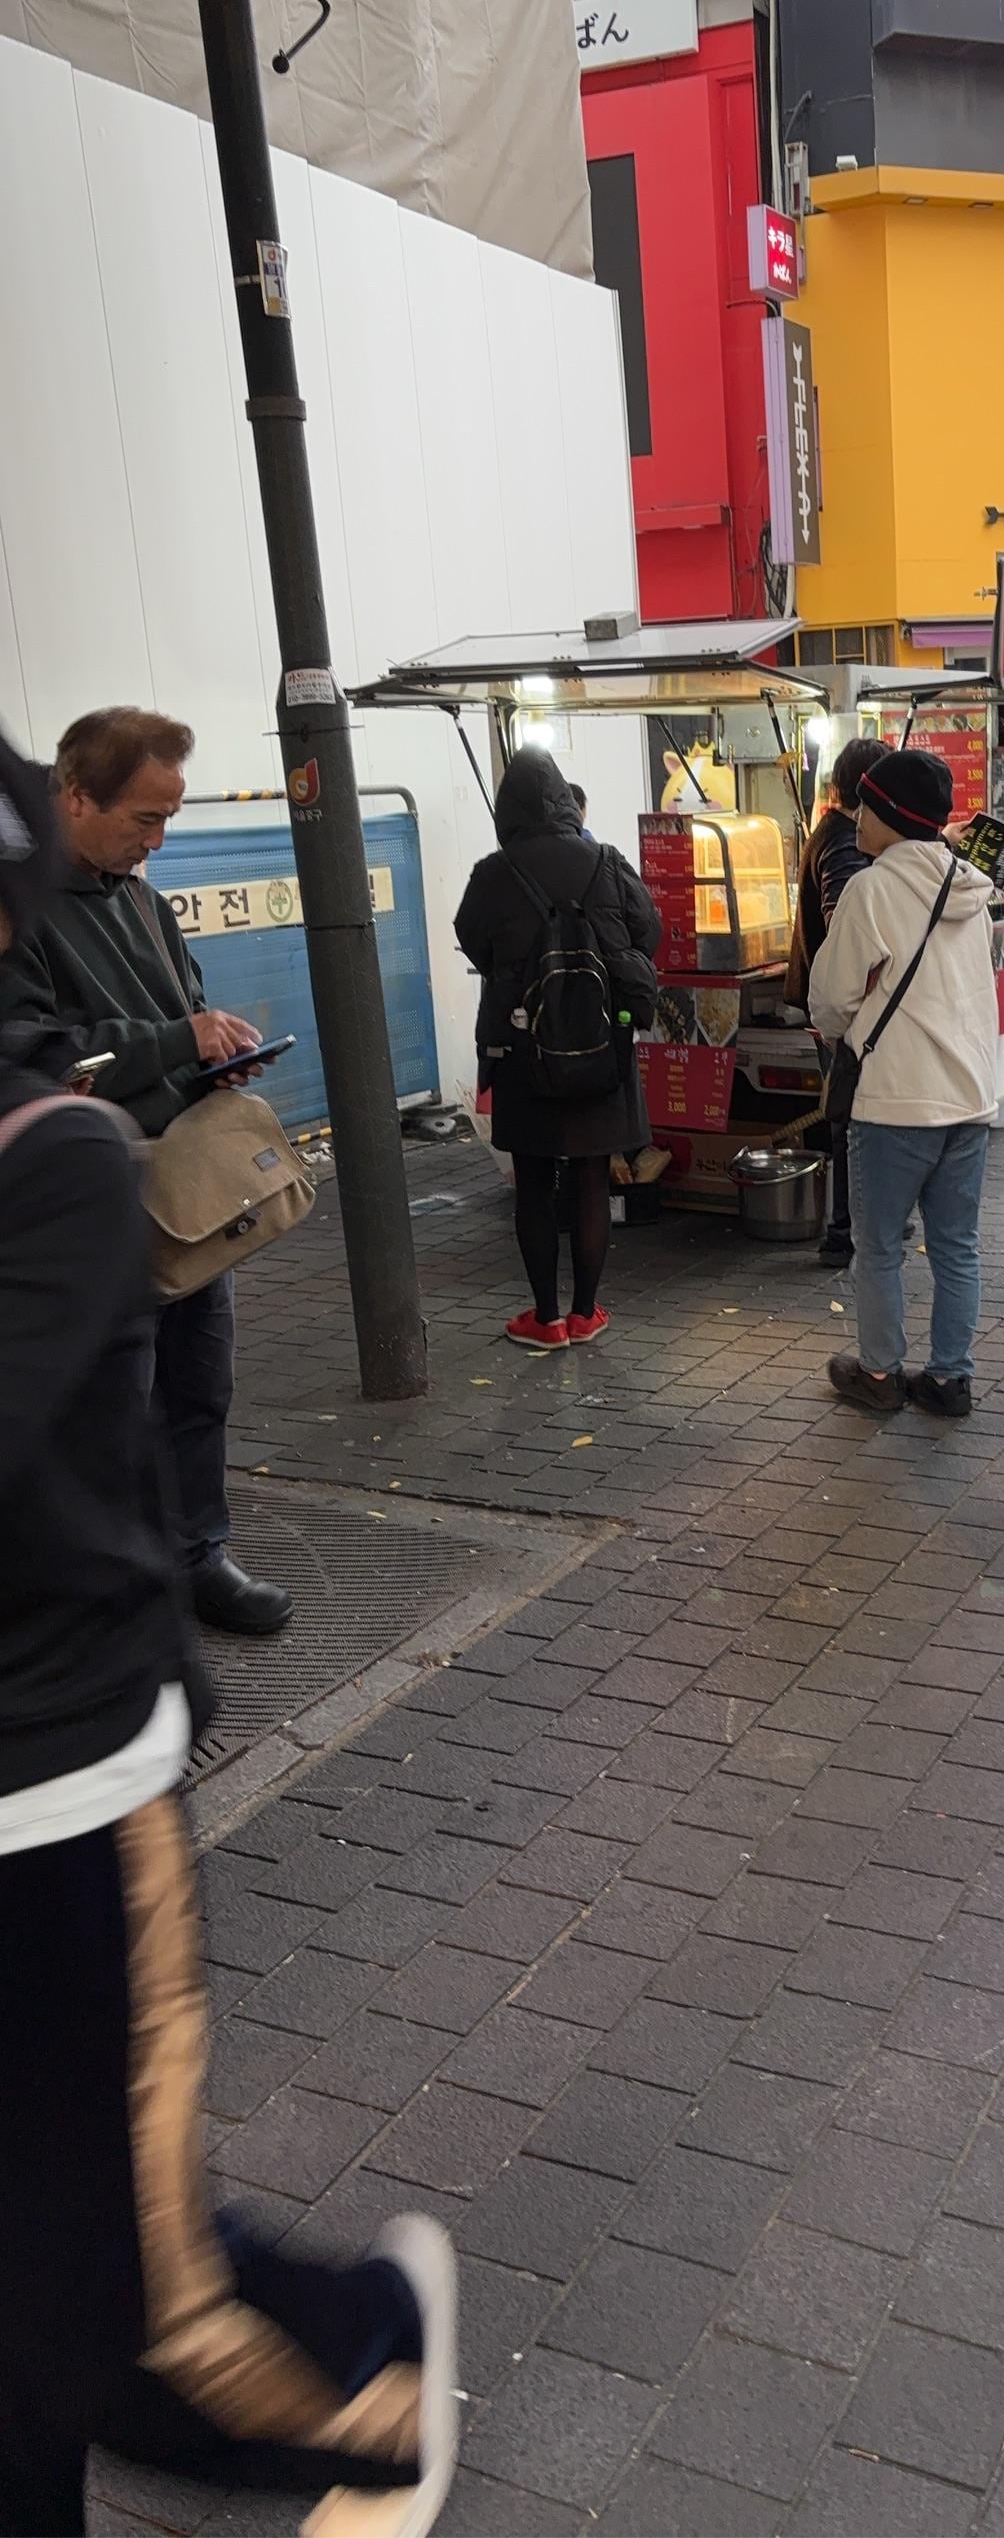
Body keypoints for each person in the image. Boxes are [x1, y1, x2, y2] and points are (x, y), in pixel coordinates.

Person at [0, 729, 458, 2538]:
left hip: (52, 1791)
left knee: (122, 2302)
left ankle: (377, 2360)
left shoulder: (43, 1154)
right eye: (146, 814)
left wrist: (180, 1044)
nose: (160, 836)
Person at [3, 708, 292, 1636]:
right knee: (109, 1405)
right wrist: (175, 1040)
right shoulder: (21, 910)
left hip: (186, 1191)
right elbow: (34, 1052)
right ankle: (121, 1578)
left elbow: (185, 1006)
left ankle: (198, 1552)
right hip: (92, 1206)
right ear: (73, 797)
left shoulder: (142, 900)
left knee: (199, 1383)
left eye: (170, 817)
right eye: (144, 818)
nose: (158, 841)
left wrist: (216, 1054)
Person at [809, 747, 997, 1420]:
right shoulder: (971, 886)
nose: (856, 817)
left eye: (865, 806)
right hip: (969, 1099)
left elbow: (830, 998)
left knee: (880, 1246)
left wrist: (846, 1020)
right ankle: (949, 1379)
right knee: (956, 1247)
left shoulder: (872, 889)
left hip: (894, 1101)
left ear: (890, 814)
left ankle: (880, 1373)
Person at [455, 748, 660, 1349]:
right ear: (566, 803)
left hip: (523, 1047)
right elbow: (648, 930)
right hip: (602, 1043)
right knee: (592, 1177)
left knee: (535, 1180)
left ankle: (546, 1319)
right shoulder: (607, 861)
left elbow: (472, 939)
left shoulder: (494, 873)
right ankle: (586, 1312)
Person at [786, 735, 884, 1265]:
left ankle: (855, 1223)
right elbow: (844, 922)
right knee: (848, 1117)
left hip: (833, 1003)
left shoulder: (833, 831)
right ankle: (844, 1231)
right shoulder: (846, 841)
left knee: (847, 1114)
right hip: (843, 1007)